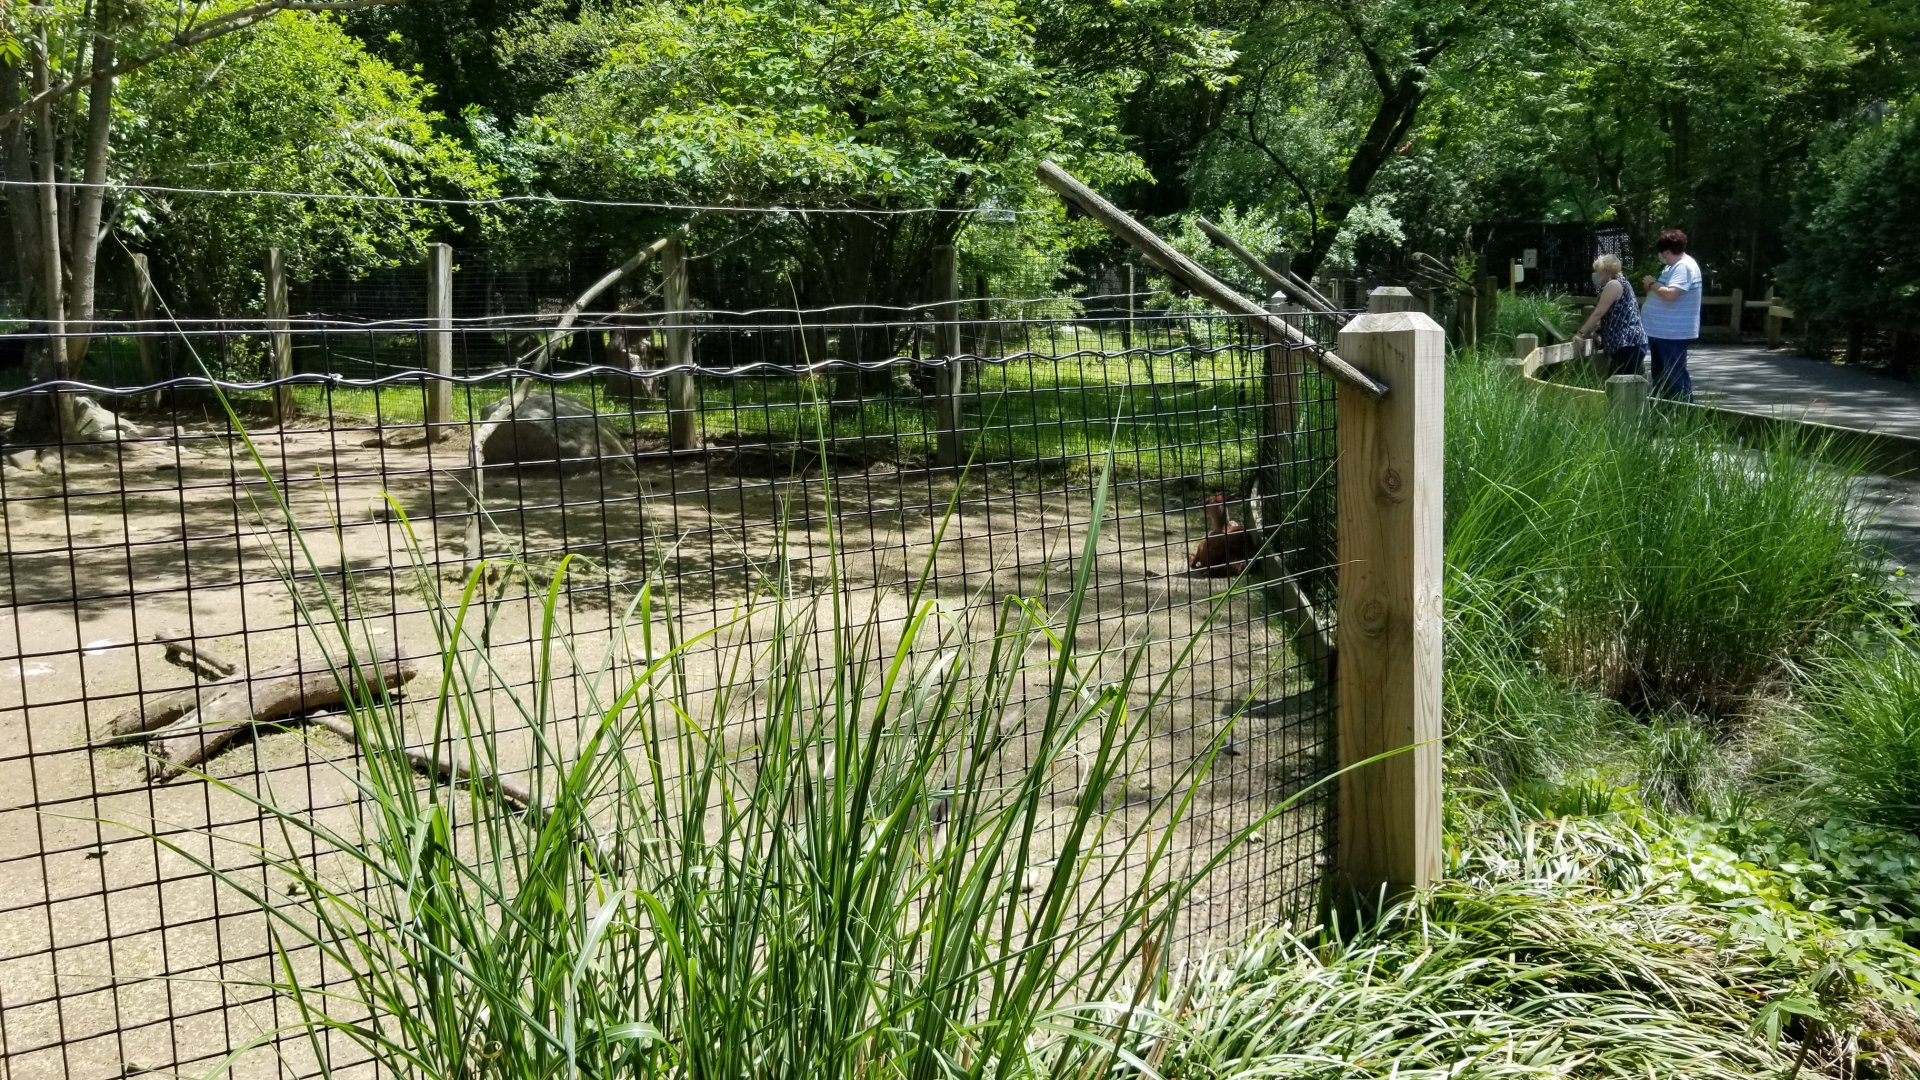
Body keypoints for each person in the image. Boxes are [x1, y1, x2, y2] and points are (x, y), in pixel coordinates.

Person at [1640, 228, 1703, 401]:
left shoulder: (1683, 266)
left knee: (1674, 377)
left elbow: (1670, 294)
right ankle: (1664, 414)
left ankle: (1684, 415)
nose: (1662, 257)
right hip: (1662, 332)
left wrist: (1651, 283)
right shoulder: (1673, 266)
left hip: (1672, 333)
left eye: (1663, 253)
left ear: (1667, 251)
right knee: (1662, 377)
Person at [1572, 253, 1647, 377]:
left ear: (1606, 271)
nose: (1596, 275)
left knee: (1617, 387)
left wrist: (1580, 333)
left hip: (1627, 344)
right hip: (1634, 343)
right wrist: (1599, 332)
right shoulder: (1623, 283)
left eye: (1598, 271)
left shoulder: (1613, 285)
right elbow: (1615, 314)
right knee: (1629, 383)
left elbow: (1599, 312)